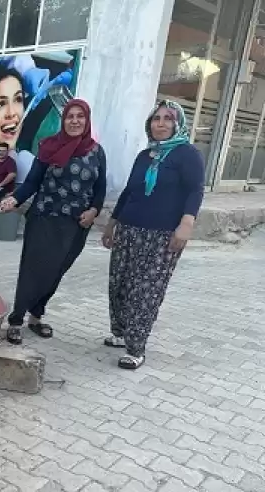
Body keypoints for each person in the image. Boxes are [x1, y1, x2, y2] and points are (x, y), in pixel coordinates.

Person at [101, 100, 204, 370]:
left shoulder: (187, 154)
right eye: (156, 118)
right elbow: (128, 192)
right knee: (120, 285)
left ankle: (136, 348)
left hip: (162, 236)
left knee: (145, 291)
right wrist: (112, 223)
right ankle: (121, 332)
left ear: (177, 123)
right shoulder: (144, 155)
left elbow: (195, 191)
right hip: (128, 229)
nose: (161, 123)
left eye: (168, 119)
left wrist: (186, 224)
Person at [0, 99, 107, 345]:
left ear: (87, 120)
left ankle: (36, 317)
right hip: (44, 218)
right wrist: (14, 199)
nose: (75, 121)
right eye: (70, 116)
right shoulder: (48, 146)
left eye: (80, 116)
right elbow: (31, 182)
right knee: (33, 270)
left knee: (56, 272)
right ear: (63, 119)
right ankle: (16, 319)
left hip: (76, 224)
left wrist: (94, 211)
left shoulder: (96, 151)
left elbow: (100, 189)